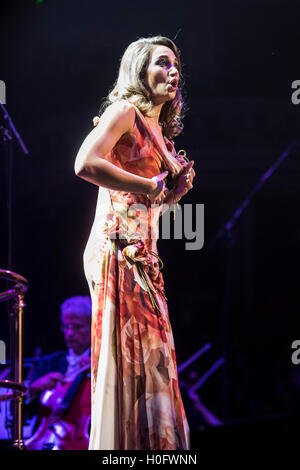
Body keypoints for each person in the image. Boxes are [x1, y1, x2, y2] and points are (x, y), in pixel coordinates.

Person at [74, 35, 196, 450]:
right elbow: (86, 163)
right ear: (140, 72)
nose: (173, 70)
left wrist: (171, 193)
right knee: (130, 366)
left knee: (154, 367)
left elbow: (150, 205)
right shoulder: (125, 112)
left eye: (176, 64)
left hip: (146, 259)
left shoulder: (162, 136)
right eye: (162, 63)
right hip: (117, 250)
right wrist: (151, 182)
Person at [24, 296, 92, 450]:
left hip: (83, 439)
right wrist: (34, 388)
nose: (70, 333)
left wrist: (98, 370)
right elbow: (25, 410)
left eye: (77, 327)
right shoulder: (48, 362)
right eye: (66, 327)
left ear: (92, 326)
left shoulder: (101, 363)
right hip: (45, 438)